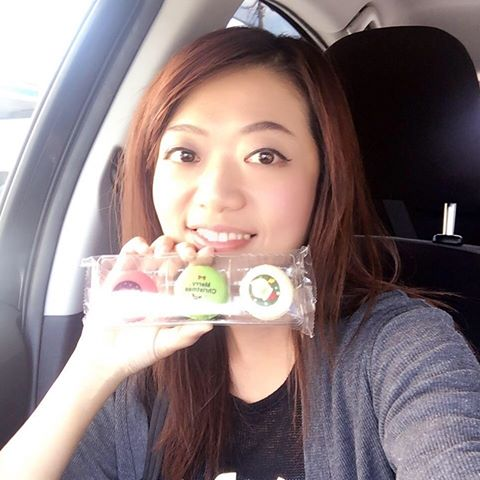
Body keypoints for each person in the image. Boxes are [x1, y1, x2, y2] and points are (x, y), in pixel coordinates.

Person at [0, 27, 479, 480]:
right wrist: (94, 367)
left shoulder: (402, 347)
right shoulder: (137, 361)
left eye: (264, 155)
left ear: (324, 178)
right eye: (185, 154)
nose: (216, 195)